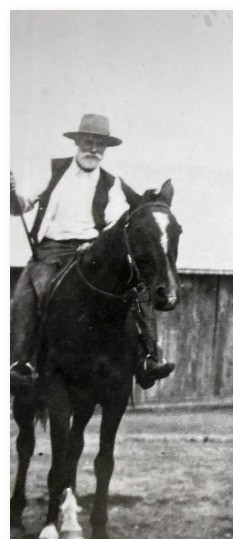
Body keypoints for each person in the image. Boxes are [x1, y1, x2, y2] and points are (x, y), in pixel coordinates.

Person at [10, 114, 175, 391]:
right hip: (49, 252)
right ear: (77, 143)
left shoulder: (112, 184)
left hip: (90, 252)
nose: (94, 150)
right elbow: (20, 205)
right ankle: (21, 364)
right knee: (23, 299)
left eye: (100, 146)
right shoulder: (53, 170)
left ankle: (149, 359)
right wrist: (9, 192)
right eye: (89, 143)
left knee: (137, 291)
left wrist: (97, 243)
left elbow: (113, 221)